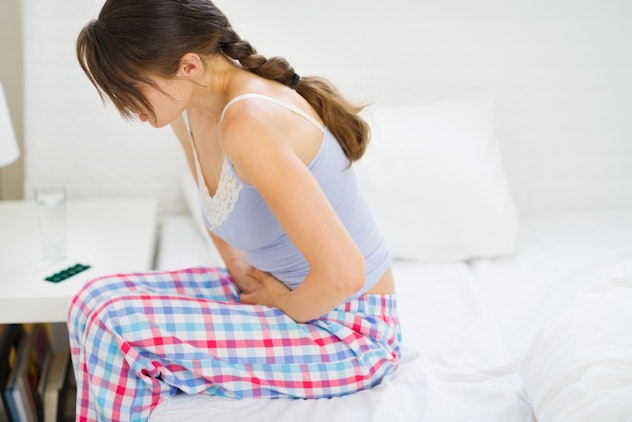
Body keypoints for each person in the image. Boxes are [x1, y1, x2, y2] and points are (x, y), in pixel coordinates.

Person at [69, 0, 400, 420]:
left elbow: (344, 275)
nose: (128, 106)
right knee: (90, 299)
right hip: (286, 292)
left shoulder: (250, 121)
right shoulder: (189, 110)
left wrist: (281, 304)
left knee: (115, 323)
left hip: (348, 331)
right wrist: (240, 272)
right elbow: (218, 210)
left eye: (132, 87)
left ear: (188, 66)